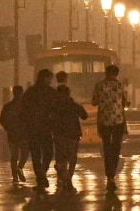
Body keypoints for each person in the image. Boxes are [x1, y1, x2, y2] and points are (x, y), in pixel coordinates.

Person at [20, 69, 60, 191]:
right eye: (49, 78)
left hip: (33, 128)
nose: (50, 80)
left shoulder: (30, 93)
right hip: (45, 128)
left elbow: (23, 111)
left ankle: (40, 176)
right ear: (44, 78)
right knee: (47, 152)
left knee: (36, 154)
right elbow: (56, 109)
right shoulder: (51, 93)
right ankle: (42, 173)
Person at [91, 64, 129, 192]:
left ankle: (109, 176)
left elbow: (94, 102)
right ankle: (112, 174)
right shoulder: (120, 85)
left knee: (107, 147)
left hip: (104, 121)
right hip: (118, 121)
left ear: (106, 73)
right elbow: (126, 102)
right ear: (116, 74)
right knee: (116, 148)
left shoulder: (99, 85)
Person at [52, 84, 88, 192]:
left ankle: (62, 173)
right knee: (72, 158)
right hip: (73, 135)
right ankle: (68, 178)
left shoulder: (54, 106)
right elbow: (84, 115)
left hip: (59, 135)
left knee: (62, 157)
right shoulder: (73, 105)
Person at [0, 85, 28, 185]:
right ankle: (19, 168)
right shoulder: (25, 106)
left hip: (12, 134)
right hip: (22, 134)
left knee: (14, 155)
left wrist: (8, 128)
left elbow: (2, 120)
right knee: (24, 153)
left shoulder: (7, 106)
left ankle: (15, 177)